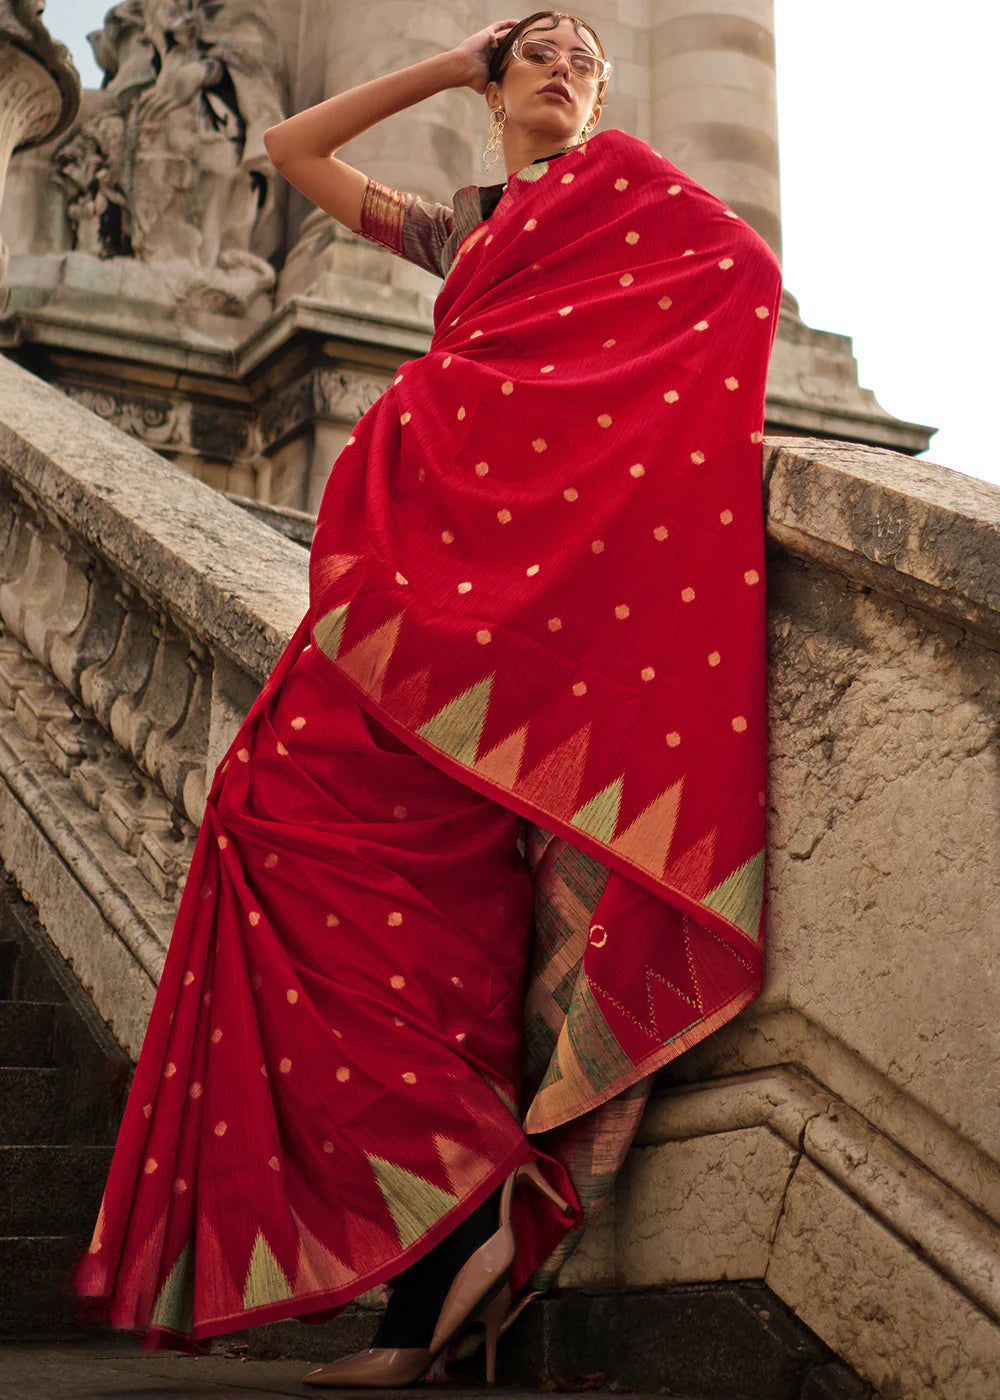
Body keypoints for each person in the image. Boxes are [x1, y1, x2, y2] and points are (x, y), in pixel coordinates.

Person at [72, 9, 782, 1389]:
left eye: (587, 57)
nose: (567, 71)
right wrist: (448, 63)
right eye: (540, 55)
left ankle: (433, 1287)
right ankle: (454, 1242)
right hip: (403, 596)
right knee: (259, 822)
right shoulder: (458, 228)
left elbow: (742, 278)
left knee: (440, 964)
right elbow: (289, 147)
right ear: (499, 82)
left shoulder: (631, 193)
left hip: (511, 634)